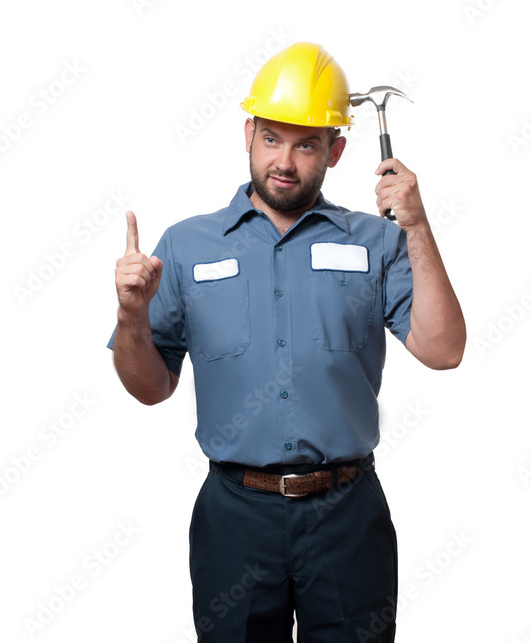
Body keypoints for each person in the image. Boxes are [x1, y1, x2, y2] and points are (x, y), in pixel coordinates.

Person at [107, 41, 465, 642]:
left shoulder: (375, 242)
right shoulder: (187, 245)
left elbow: (443, 348)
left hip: (348, 517)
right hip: (235, 518)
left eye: (307, 144)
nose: (285, 161)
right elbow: (149, 389)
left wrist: (418, 225)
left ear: (337, 151)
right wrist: (132, 315)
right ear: (248, 134)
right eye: (272, 138)